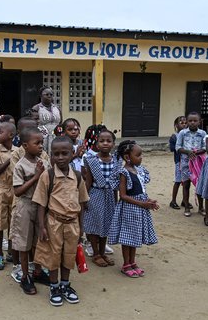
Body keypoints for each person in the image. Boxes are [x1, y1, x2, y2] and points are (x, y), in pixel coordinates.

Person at [33, 136, 89, 306]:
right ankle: (54, 286)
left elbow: (81, 204)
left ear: (72, 154)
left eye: (65, 153)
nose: (60, 157)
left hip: (72, 224)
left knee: (69, 255)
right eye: (56, 154)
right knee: (53, 256)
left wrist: (81, 228)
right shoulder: (47, 176)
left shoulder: (78, 177)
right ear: (51, 156)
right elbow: (41, 204)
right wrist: (42, 226)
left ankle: (65, 285)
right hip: (53, 224)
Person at [108, 140, 159, 278]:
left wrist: (148, 201)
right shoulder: (124, 173)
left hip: (139, 209)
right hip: (129, 210)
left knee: (134, 236)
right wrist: (142, 204)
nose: (141, 157)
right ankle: (126, 264)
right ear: (127, 157)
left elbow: (140, 191)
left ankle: (132, 262)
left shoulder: (139, 171)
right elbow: (123, 195)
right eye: (138, 155)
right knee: (128, 237)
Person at [12, 127, 51, 294]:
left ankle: (38, 271)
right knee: (24, 243)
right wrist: (36, 176)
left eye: (42, 142)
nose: (41, 146)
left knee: (38, 241)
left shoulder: (44, 162)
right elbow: (18, 191)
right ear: (26, 146)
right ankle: (25, 276)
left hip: (41, 206)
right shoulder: (21, 165)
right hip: (26, 206)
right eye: (37, 143)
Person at [82, 128, 117, 267]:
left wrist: (116, 199)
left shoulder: (116, 161)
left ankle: (103, 252)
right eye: (101, 141)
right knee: (94, 224)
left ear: (113, 144)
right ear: (96, 144)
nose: (105, 143)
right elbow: (88, 181)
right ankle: (96, 253)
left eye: (109, 141)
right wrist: (84, 199)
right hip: (95, 195)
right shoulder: (91, 160)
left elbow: (116, 183)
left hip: (109, 196)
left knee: (106, 225)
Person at [0, 122, 17, 270]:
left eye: (0, 132)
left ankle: (11, 251)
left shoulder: (19, 151)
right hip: (1, 189)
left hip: (15, 190)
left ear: (11, 135)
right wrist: (9, 160)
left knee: (14, 223)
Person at [176, 112, 206, 217]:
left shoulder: (202, 133)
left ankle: (201, 207)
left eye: (195, 121)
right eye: (190, 121)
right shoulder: (182, 133)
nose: (192, 123)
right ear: (187, 122)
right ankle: (187, 206)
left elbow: (205, 147)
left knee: (199, 185)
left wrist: (197, 152)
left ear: (199, 122)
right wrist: (188, 152)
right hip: (185, 163)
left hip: (198, 163)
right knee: (186, 184)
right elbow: (178, 147)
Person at [32, 86, 61, 154]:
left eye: (51, 94)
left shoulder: (56, 108)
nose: (49, 96)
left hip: (56, 136)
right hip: (42, 137)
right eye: (46, 94)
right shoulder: (36, 108)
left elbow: (60, 123)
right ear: (41, 96)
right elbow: (33, 123)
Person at [169, 116, 187, 209]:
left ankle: (184, 200)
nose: (184, 125)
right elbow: (172, 149)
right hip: (179, 161)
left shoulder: (188, 135)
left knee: (186, 182)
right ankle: (173, 201)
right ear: (176, 125)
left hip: (187, 162)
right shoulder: (174, 136)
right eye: (181, 123)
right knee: (178, 181)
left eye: (185, 123)